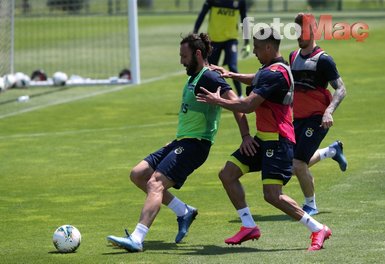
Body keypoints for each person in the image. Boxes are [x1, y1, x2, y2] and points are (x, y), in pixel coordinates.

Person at [106, 33, 252, 252]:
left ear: (198, 54)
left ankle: (137, 238)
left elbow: (237, 104)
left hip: (196, 145)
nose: (181, 61)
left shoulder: (209, 77)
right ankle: (183, 212)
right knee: (138, 174)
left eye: (184, 56)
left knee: (155, 183)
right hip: (180, 141)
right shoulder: (194, 76)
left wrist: (245, 136)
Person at [197, 27, 331, 251]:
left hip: (277, 141)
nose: (255, 53)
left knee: (273, 195)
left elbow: (248, 105)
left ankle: (318, 228)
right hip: (264, 139)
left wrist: (217, 101)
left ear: (269, 47)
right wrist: (231, 75)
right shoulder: (275, 68)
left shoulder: (274, 74)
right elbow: (257, 77)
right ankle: (249, 226)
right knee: (228, 174)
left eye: (257, 48)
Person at [290, 13, 347, 216]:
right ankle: (332, 151)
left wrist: (328, 112)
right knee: (292, 165)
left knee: (298, 163)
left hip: (317, 119)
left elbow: (341, 89)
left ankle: (310, 205)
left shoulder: (324, 60)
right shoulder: (293, 57)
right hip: (298, 119)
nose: (298, 35)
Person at [193, 0, 250, 97]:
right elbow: (202, 14)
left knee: (232, 66)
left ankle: (240, 96)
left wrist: (247, 42)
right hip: (214, 40)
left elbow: (244, 19)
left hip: (231, 39)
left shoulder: (240, 2)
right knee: (210, 69)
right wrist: (195, 32)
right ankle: (206, 95)